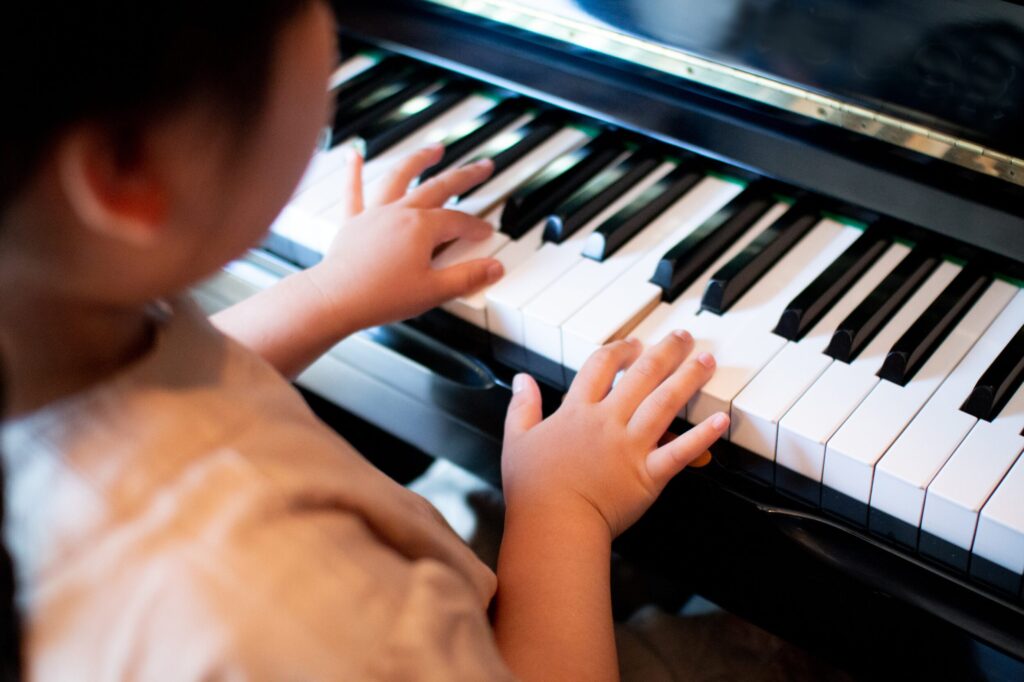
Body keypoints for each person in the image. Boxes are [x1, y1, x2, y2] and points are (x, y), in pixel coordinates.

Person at [0, 0, 729, 678]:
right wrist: (563, 507)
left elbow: (149, 407)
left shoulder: (50, 333)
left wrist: (331, 289)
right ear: (128, 173)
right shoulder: (268, 606)